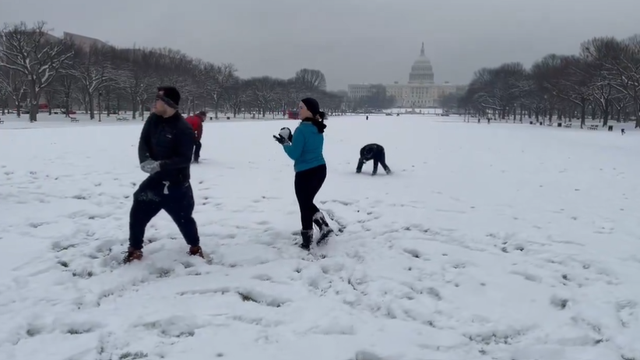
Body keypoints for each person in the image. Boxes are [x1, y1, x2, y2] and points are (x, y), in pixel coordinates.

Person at [124, 86, 204, 263]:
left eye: (158, 99)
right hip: (155, 181)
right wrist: (144, 160)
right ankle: (135, 249)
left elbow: (184, 158)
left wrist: (160, 165)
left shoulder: (183, 128)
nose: (155, 103)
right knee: (138, 210)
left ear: (168, 103)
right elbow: (143, 141)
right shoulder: (153, 119)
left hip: (177, 185)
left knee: (184, 220)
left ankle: (195, 247)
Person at [273, 97, 334, 250]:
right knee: (307, 203)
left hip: (305, 173)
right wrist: (292, 139)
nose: (298, 110)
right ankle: (323, 226)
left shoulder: (301, 129)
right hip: (320, 170)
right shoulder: (317, 127)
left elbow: (295, 154)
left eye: (301, 107)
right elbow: (307, 146)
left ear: (309, 111)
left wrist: (285, 143)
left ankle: (307, 240)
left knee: (304, 205)